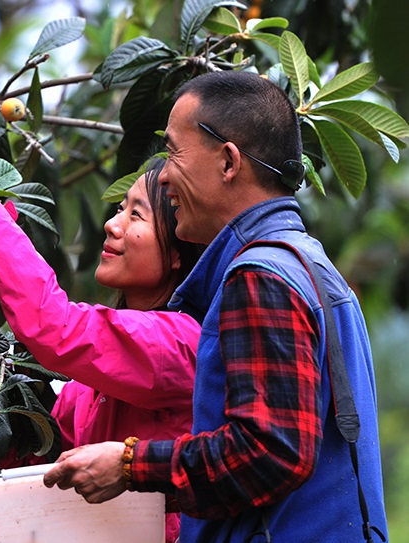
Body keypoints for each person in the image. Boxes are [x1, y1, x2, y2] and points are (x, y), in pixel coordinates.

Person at [42, 70, 389, 542]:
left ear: (228, 162)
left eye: (173, 152)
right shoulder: (308, 263)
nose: (162, 174)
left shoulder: (260, 276)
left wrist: (130, 465)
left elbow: (272, 452)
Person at [0, 135, 204, 543]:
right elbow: (37, 451)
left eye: (136, 216)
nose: (112, 223)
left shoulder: (180, 342)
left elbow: (53, 326)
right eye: (120, 208)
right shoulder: (89, 387)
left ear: (179, 252)